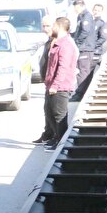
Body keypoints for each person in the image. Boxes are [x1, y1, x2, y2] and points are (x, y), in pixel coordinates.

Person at [41, 16, 79, 150]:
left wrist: (55, 85)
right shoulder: (58, 42)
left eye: (54, 25)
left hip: (60, 87)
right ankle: (56, 138)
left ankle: (62, 143)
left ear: (59, 27)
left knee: (59, 116)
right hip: (52, 85)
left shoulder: (66, 44)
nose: (52, 28)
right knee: (49, 112)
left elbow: (62, 67)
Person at [31, 16, 56, 144]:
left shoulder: (57, 41)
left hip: (54, 83)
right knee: (47, 110)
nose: (44, 29)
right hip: (48, 81)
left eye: (47, 26)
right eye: (43, 26)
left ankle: (54, 136)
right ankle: (47, 134)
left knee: (53, 111)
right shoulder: (49, 41)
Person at [70, 0, 95, 100]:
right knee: (82, 71)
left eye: (76, 8)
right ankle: (80, 93)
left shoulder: (86, 16)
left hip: (85, 48)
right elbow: (78, 31)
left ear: (82, 6)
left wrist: (77, 43)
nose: (75, 10)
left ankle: (80, 94)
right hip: (83, 47)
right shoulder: (80, 16)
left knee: (83, 72)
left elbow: (85, 32)